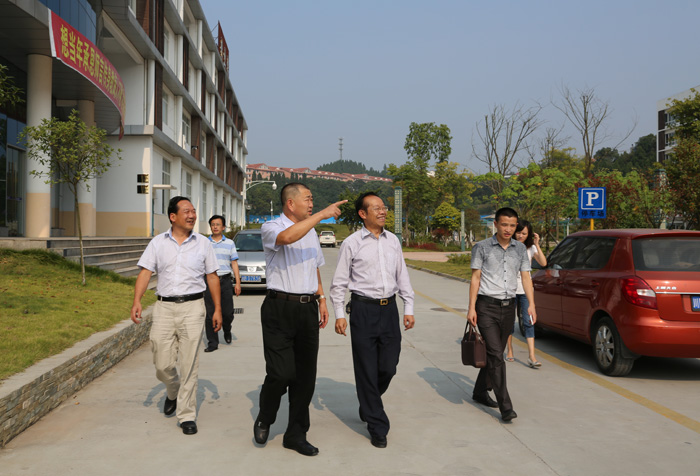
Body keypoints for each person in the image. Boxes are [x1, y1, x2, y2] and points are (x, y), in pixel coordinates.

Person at [253, 183, 346, 457]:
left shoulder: (311, 232)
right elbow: (286, 238)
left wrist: (321, 299)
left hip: (307, 309)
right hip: (279, 308)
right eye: (308, 199)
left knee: (305, 377)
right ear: (290, 203)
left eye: (313, 199)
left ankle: (296, 434)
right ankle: (266, 415)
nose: (311, 203)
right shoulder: (271, 227)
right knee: (281, 373)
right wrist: (322, 215)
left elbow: (314, 267)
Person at [330, 192, 415, 449]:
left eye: (383, 207)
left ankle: (368, 401)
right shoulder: (352, 243)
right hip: (363, 310)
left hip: (389, 310)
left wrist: (408, 307)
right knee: (366, 368)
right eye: (376, 208)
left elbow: (402, 275)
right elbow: (339, 282)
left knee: (389, 366)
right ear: (362, 214)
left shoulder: (393, 241)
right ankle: (378, 426)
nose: (382, 211)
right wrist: (339, 314)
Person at [131, 196, 221, 435]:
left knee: (189, 363)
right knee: (162, 363)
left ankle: (187, 415)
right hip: (164, 308)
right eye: (187, 211)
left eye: (193, 211)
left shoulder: (203, 244)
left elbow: (212, 277)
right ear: (173, 217)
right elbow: (145, 272)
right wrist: (137, 301)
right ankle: (173, 389)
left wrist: (217, 309)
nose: (192, 215)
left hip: (193, 307)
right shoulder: (158, 243)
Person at [467, 207, 536, 422]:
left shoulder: (520, 249)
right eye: (504, 224)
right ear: (495, 224)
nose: (508, 229)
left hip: (509, 307)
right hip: (486, 306)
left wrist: (531, 304)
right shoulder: (481, 247)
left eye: (512, 225)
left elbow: (526, 278)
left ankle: (480, 391)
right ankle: (506, 407)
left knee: (493, 354)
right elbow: (475, 278)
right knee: (497, 354)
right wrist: (471, 308)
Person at [505, 220, 547, 367]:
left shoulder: (530, 248)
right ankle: (510, 350)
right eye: (519, 232)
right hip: (509, 290)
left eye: (524, 233)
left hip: (525, 291)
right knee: (509, 322)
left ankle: (532, 356)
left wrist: (537, 244)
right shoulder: (507, 247)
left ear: (528, 234)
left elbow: (543, 263)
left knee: (529, 322)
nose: (521, 236)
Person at [203, 214, 242, 352]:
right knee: (210, 312)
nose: (215, 227)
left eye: (218, 224)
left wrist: (238, 283)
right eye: (213, 225)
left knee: (228, 312)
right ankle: (212, 343)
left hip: (225, 281)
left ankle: (227, 329)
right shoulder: (205, 243)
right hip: (209, 281)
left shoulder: (230, 243)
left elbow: (234, 263)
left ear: (223, 227)